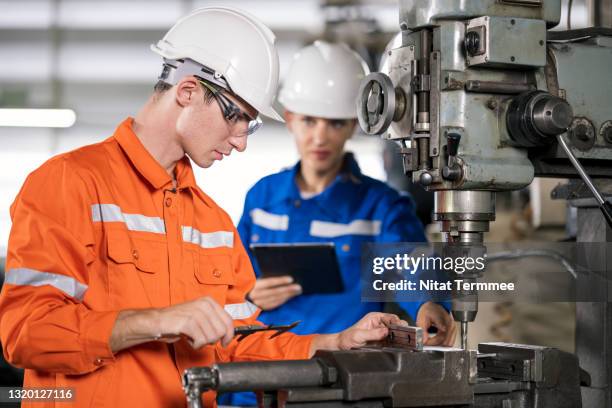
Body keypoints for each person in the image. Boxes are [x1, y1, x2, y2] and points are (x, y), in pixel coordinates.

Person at [0, 9, 404, 407]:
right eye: (237, 118)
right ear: (188, 91)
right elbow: (26, 333)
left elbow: (237, 343)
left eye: (251, 124)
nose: (242, 141)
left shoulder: (211, 220)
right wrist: (155, 321)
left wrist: (334, 342)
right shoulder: (70, 183)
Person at [221, 41, 456, 406]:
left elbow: (410, 260)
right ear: (289, 117)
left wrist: (429, 303)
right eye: (309, 120)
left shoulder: (379, 205)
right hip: (262, 381)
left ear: (353, 126)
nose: (320, 136)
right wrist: (251, 295)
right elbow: (229, 285)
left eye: (335, 123)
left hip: (341, 385)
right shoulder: (261, 198)